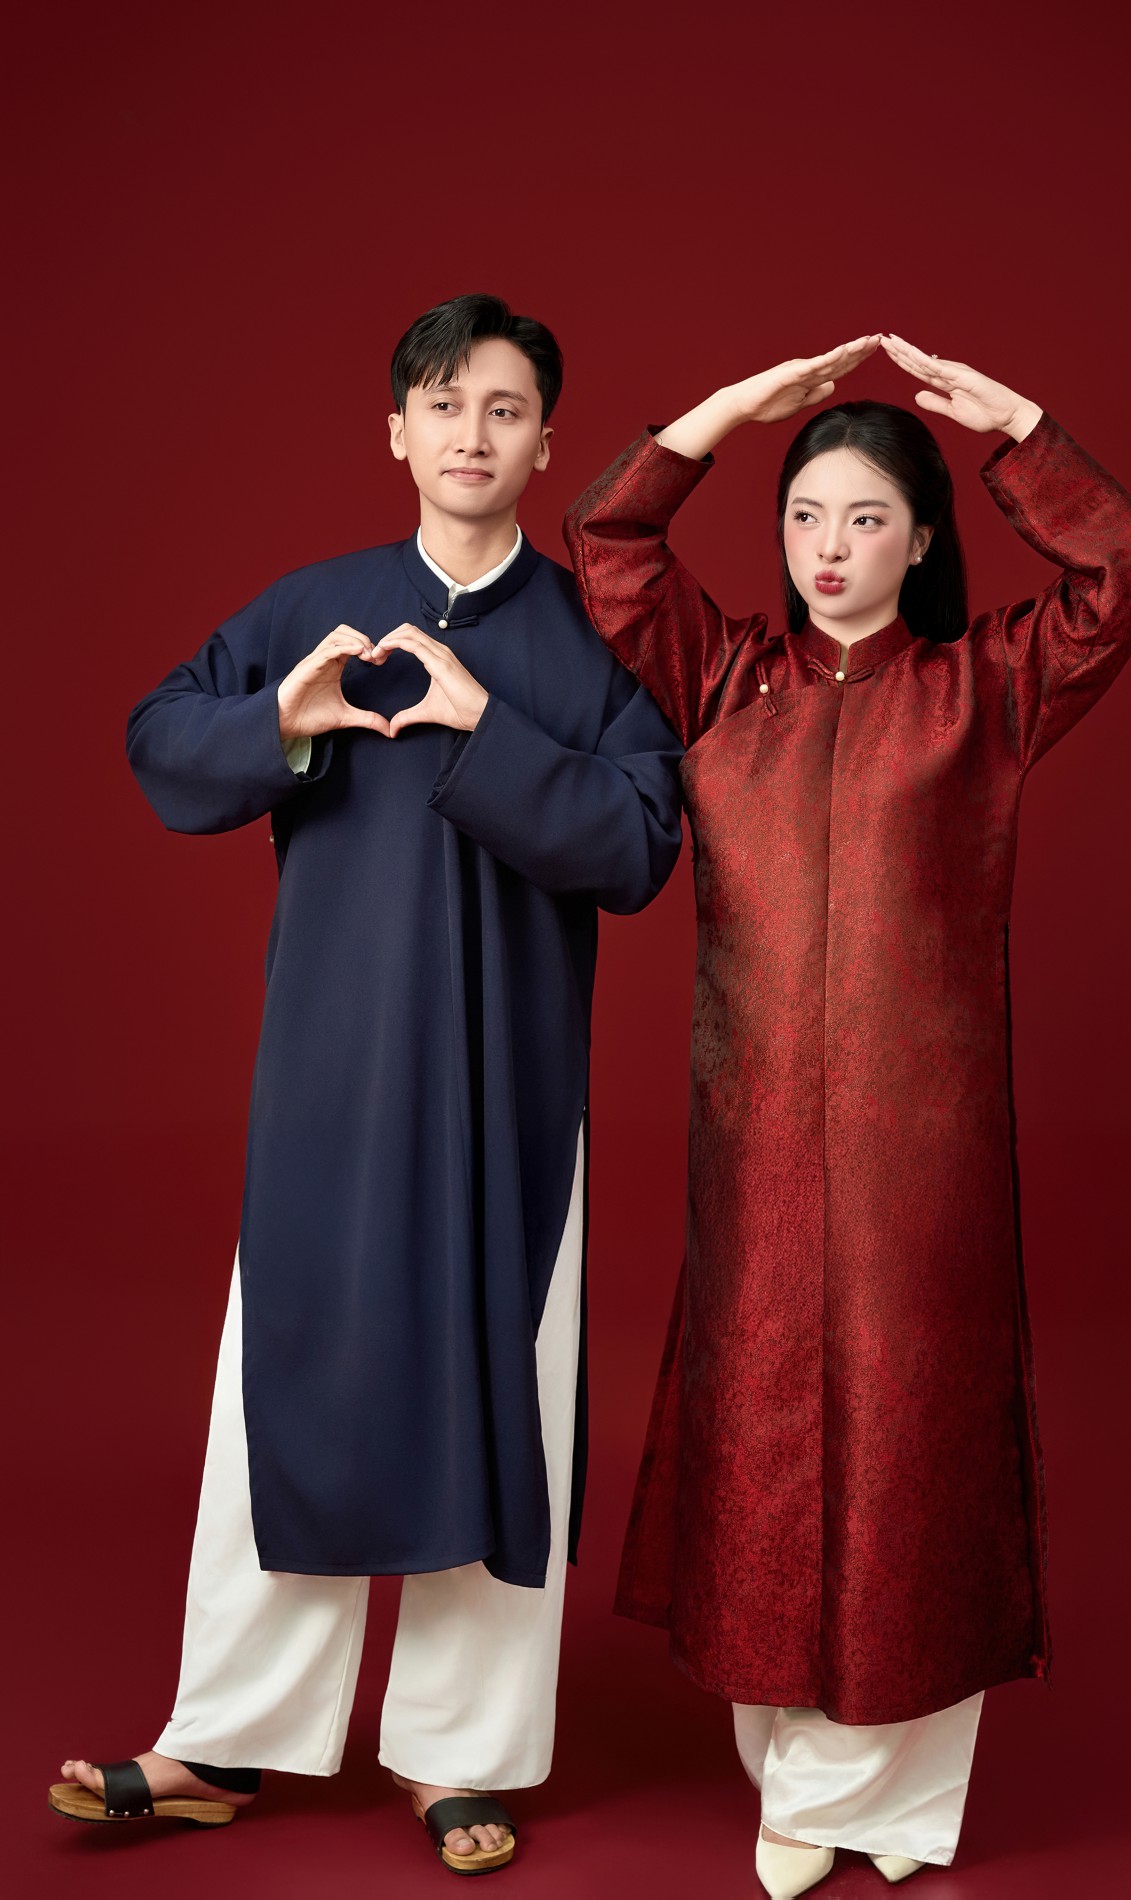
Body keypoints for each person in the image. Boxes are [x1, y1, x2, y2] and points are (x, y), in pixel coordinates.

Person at [48, 292, 683, 1874]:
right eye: (443, 404)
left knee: (500, 1399)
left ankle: (460, 1758)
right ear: (395, 430)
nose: (472, 434)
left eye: (504, 409)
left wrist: (483, 733)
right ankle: (223, 1737)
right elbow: (160, 740)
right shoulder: (315, 609)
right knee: (283, 1389)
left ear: (546, 443)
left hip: (513, 1098)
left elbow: (639, 845)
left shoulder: (591, 638)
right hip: (332, 1081)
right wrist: (284, 715)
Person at [562, 332, 1131, 1896]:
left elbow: (1123, 571)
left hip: (923, 1158)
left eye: (863, 520)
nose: (826, 549)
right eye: (803, 517)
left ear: (920, 539)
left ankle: (858, 1794)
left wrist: (1021, 431)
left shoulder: (983, 688)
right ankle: (810, 1772)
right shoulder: (720, 678)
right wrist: (724, 414)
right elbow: (609, 540)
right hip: (752, 1143)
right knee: (764, 1433)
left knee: (910, 1438)